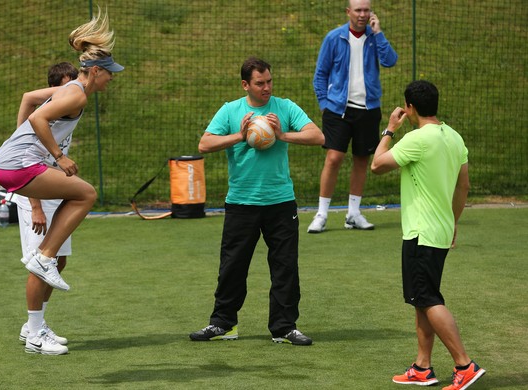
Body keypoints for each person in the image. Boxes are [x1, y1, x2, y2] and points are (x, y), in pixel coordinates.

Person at [0, 10, 124, 355]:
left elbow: (32, 104)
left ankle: (45, 267)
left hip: (12, 165)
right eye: (109, 75)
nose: (111, 80)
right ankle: (43, 261)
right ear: (96, 72)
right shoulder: (77, 93)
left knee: (78, 195)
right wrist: (59, 157)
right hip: (17, 167)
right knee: (87, 193)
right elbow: (37, 116)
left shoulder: (73, 90)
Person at [189, 57, 325, 346]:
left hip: (280, 201)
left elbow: (317, 136)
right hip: (241, 202)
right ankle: (223, 323)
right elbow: (204, 144)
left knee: (285, 266)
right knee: (232, 266)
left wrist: (282, 135)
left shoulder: (285, 107)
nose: (266, 88)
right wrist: (240, 135)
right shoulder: (230, 110)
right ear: (245, 85)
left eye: (269, 81)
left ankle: (284, 328)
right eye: (260, 83)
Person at [370, 80, 485, 389]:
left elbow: (377, 165)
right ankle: (422, 367)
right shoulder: (454, 137)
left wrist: (390, 130)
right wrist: (453, 220)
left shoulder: (418, 139)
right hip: (440, 229)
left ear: (411, 108)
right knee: (422, 298)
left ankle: (464, 364)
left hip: (421, 233)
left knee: (428, 298)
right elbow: (464, 187)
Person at [308, 0, 397, 233]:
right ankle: (321, 214)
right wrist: (325, 105)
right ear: (348, 12)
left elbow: (390, 60)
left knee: (361, 160)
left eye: (366, 10)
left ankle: (353, 214)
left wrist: (378, 33)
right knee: (333, 158)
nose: (362, 14)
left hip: (368, 110)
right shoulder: (334, 38)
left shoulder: (374, 37)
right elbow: (320, 75)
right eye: (358, 10)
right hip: (337, 110)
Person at [14, 62, 78, 352]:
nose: (71, 91)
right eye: (65, 86)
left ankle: (34, 325)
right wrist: (35, 206)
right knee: (41, 263)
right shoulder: (42, 111)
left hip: (54, 190)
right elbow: (25, 164)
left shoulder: (68, 106)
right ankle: (35, 335)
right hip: (35, 195)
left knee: (58, 261)